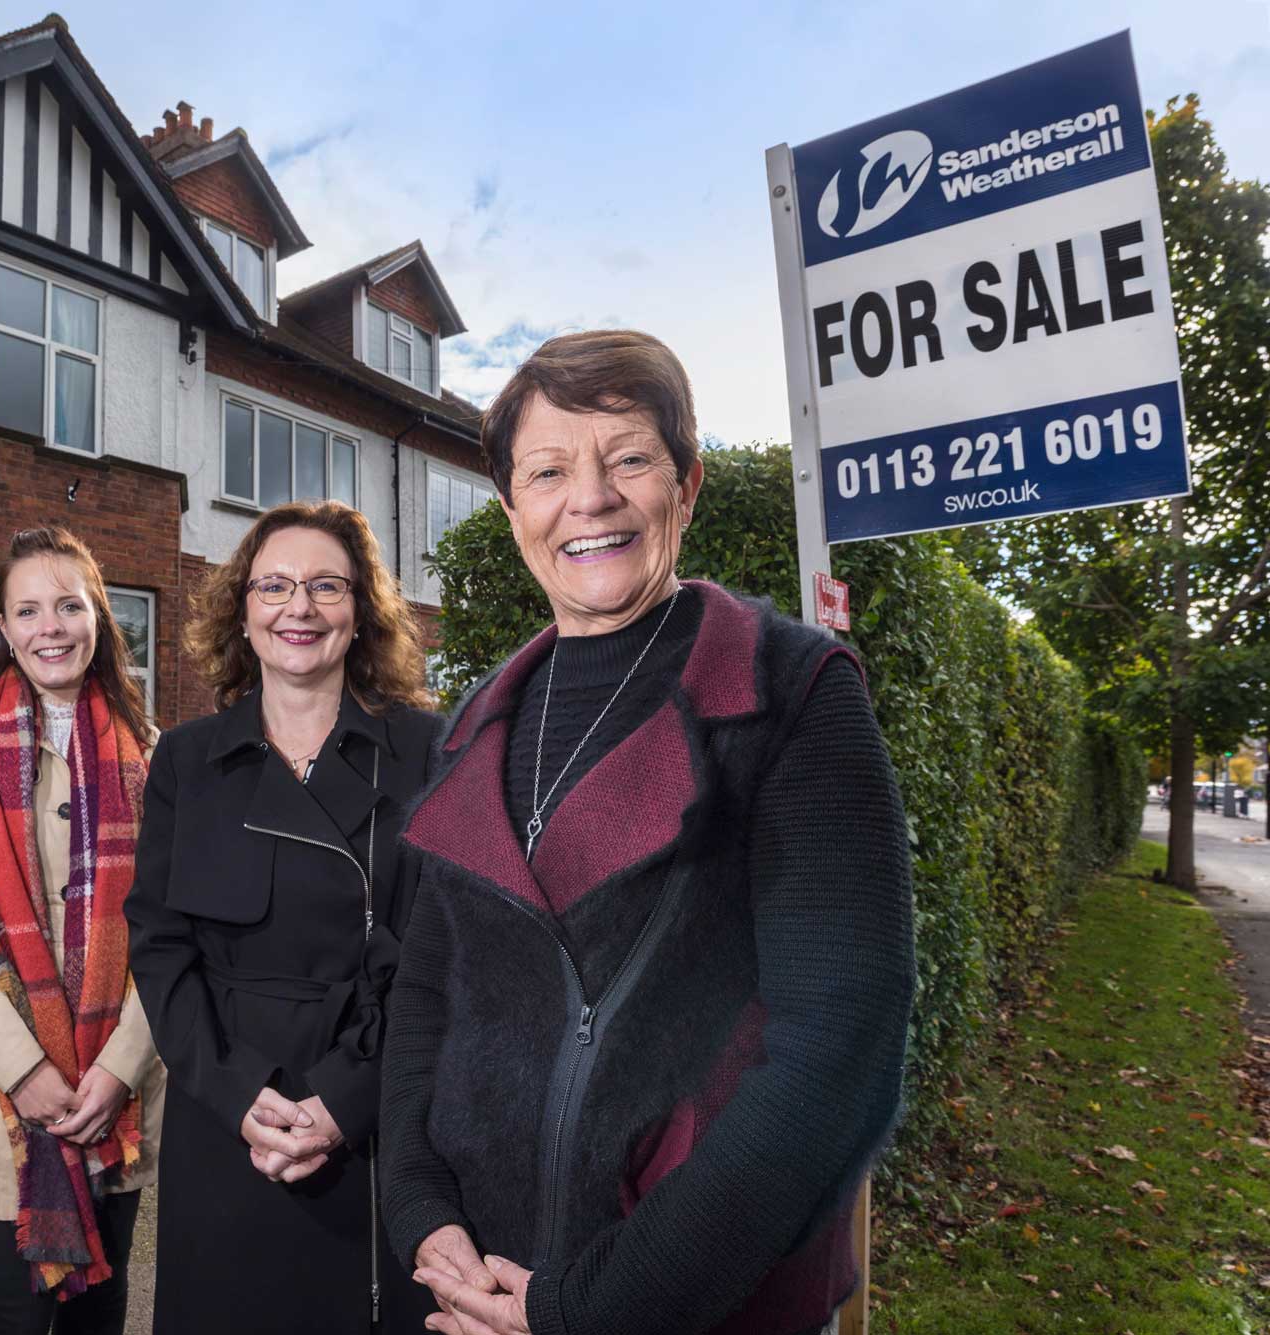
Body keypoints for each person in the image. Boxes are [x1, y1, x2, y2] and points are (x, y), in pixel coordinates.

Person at [380, 331, 916, 1335]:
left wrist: (596, 1309)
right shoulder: (471, 730)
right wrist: (415, 1206)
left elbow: (837, 1049)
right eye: (547, 471)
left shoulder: (788, 693)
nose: (588, 498)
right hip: (476, 1288)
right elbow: (425, 992)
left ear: (686, 485)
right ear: (510, 513)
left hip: (679, 1298)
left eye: (626, 457)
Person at [127, 501, 443, 1335]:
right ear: (242, 607)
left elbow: (440, 958)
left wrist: (343, 1100)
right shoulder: (186, 760)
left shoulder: (426, 751)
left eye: (325, 586)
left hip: (372, 1121)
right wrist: (238, 1094)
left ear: (362, 610)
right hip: (229, 1121)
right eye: (274, 584)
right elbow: (160, 950)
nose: (297, 607)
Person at [0, 527, 163, 1334]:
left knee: (98, 1321)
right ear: (5, 630)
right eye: (28, 609)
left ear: (98, 618)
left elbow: (169, 929)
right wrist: (25, 1071)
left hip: (107, 1096)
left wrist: (119, 1068)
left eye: (68, 604)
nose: (50, 625)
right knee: (5, 1319)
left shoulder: (151, 752)